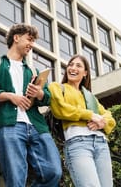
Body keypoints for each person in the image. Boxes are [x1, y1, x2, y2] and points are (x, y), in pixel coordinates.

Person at [0, 23, 62, 187]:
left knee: (54, 172)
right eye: (29, 39)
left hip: (37, 126)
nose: (31, 44)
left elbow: (47, 97)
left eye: (33, 41)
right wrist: (10, 96)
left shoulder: (34, 70)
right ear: (16, 38)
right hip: (9, 125)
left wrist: (39, 93)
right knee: (15, 179)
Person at [48, 54, 116, 187]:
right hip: (78, 144)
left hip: (101, 144)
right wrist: (89, 115)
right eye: (70, 65)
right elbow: (60, 109)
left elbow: (109, 116)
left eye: (78, 65)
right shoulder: (57, 87)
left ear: (85, 73)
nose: (72, 68)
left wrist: (102, 122)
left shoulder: (90, 96)